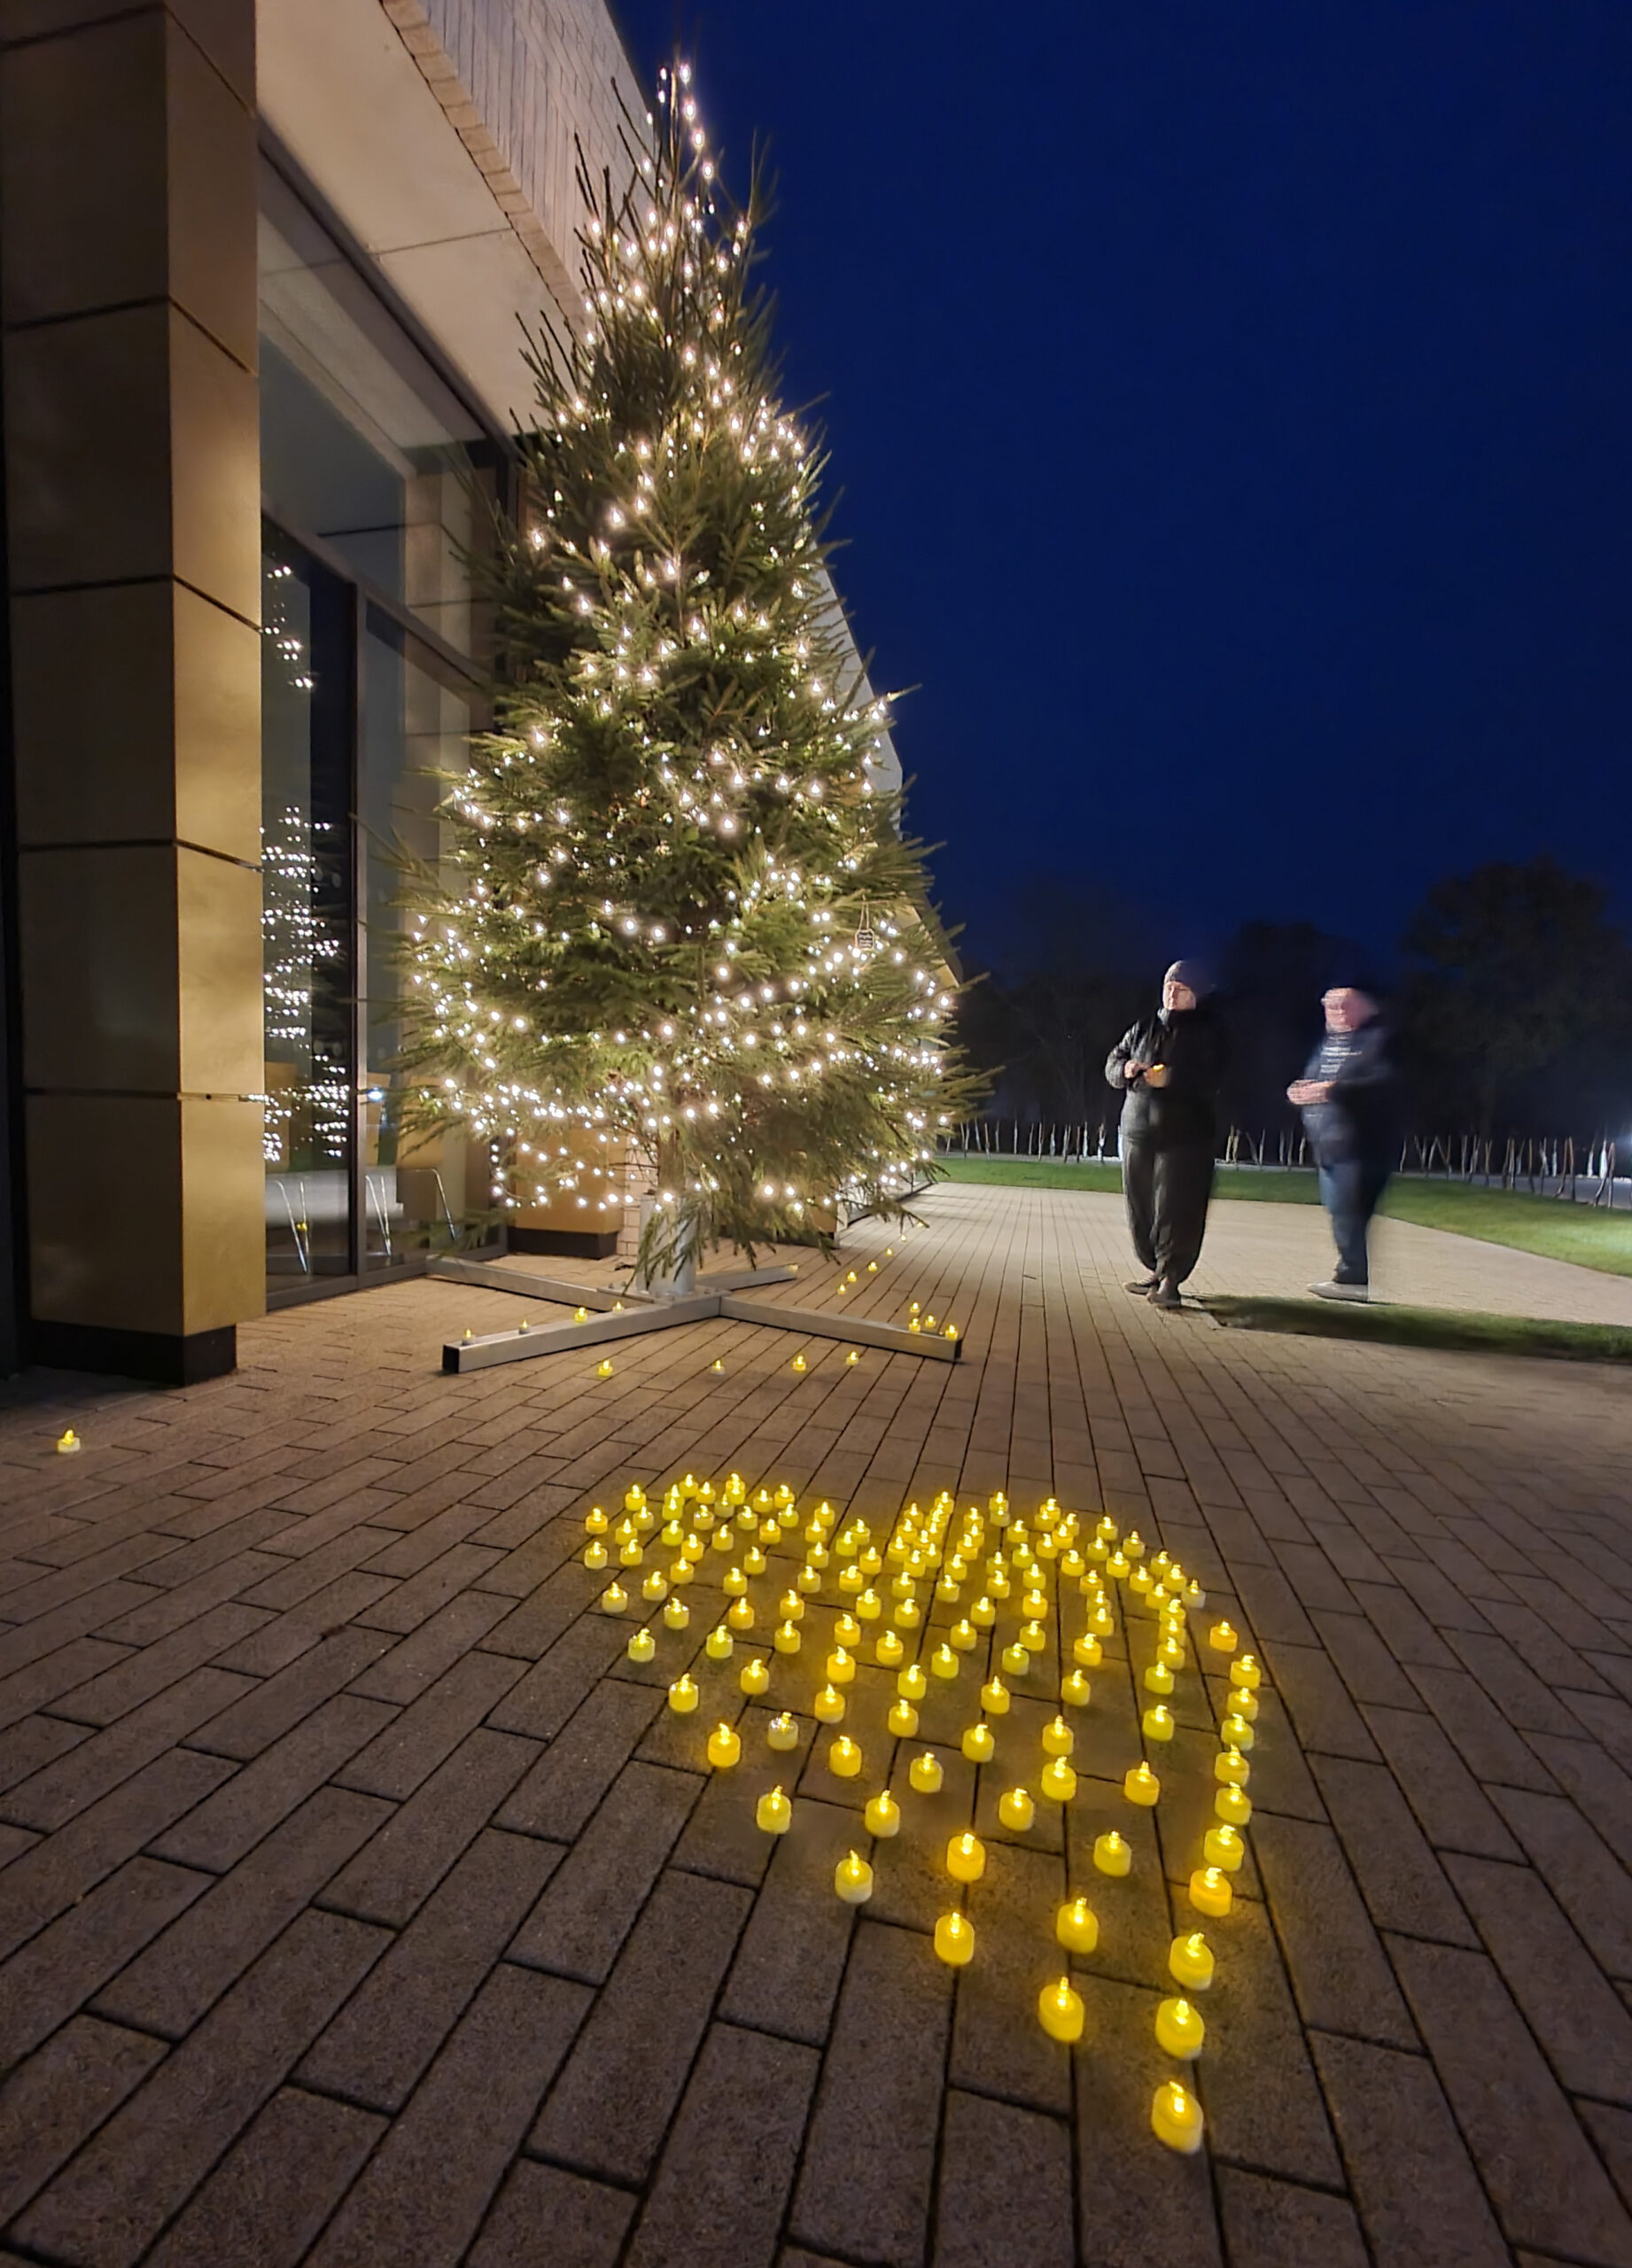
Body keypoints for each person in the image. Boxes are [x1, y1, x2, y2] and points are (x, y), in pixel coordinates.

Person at [1106, 960, 1227, 1309]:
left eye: (1182, 988)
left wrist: (1171, 1078)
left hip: (1185, 1138)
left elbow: (1213, 1077)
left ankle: (1171, 1278)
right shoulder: (1143, 1027)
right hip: (1137, 1132)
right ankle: (1154, 1268)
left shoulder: (1209, 1032)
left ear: (1196, 995)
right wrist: (1126, 1069)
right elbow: (1113, 1062)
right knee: (1141, 1206)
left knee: (1178, 1210)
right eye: (1168, 987)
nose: (1172, 993)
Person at [1287, 987, 1400, 1301]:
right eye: (1329, 1005)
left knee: (1349, 1211)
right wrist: (1301, 1090)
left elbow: (1381, 1086)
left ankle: (1352, 1278)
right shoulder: (1328, 1044)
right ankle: (1350, 1276)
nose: (1335, 1011)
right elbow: (1314, 1077)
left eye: (1343, 1005)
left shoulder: (1378, 1042)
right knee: (1340, 1211)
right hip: (1328, 1145)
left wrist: (1332, 1090)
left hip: (1361, 1147)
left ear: (1364, 1008)